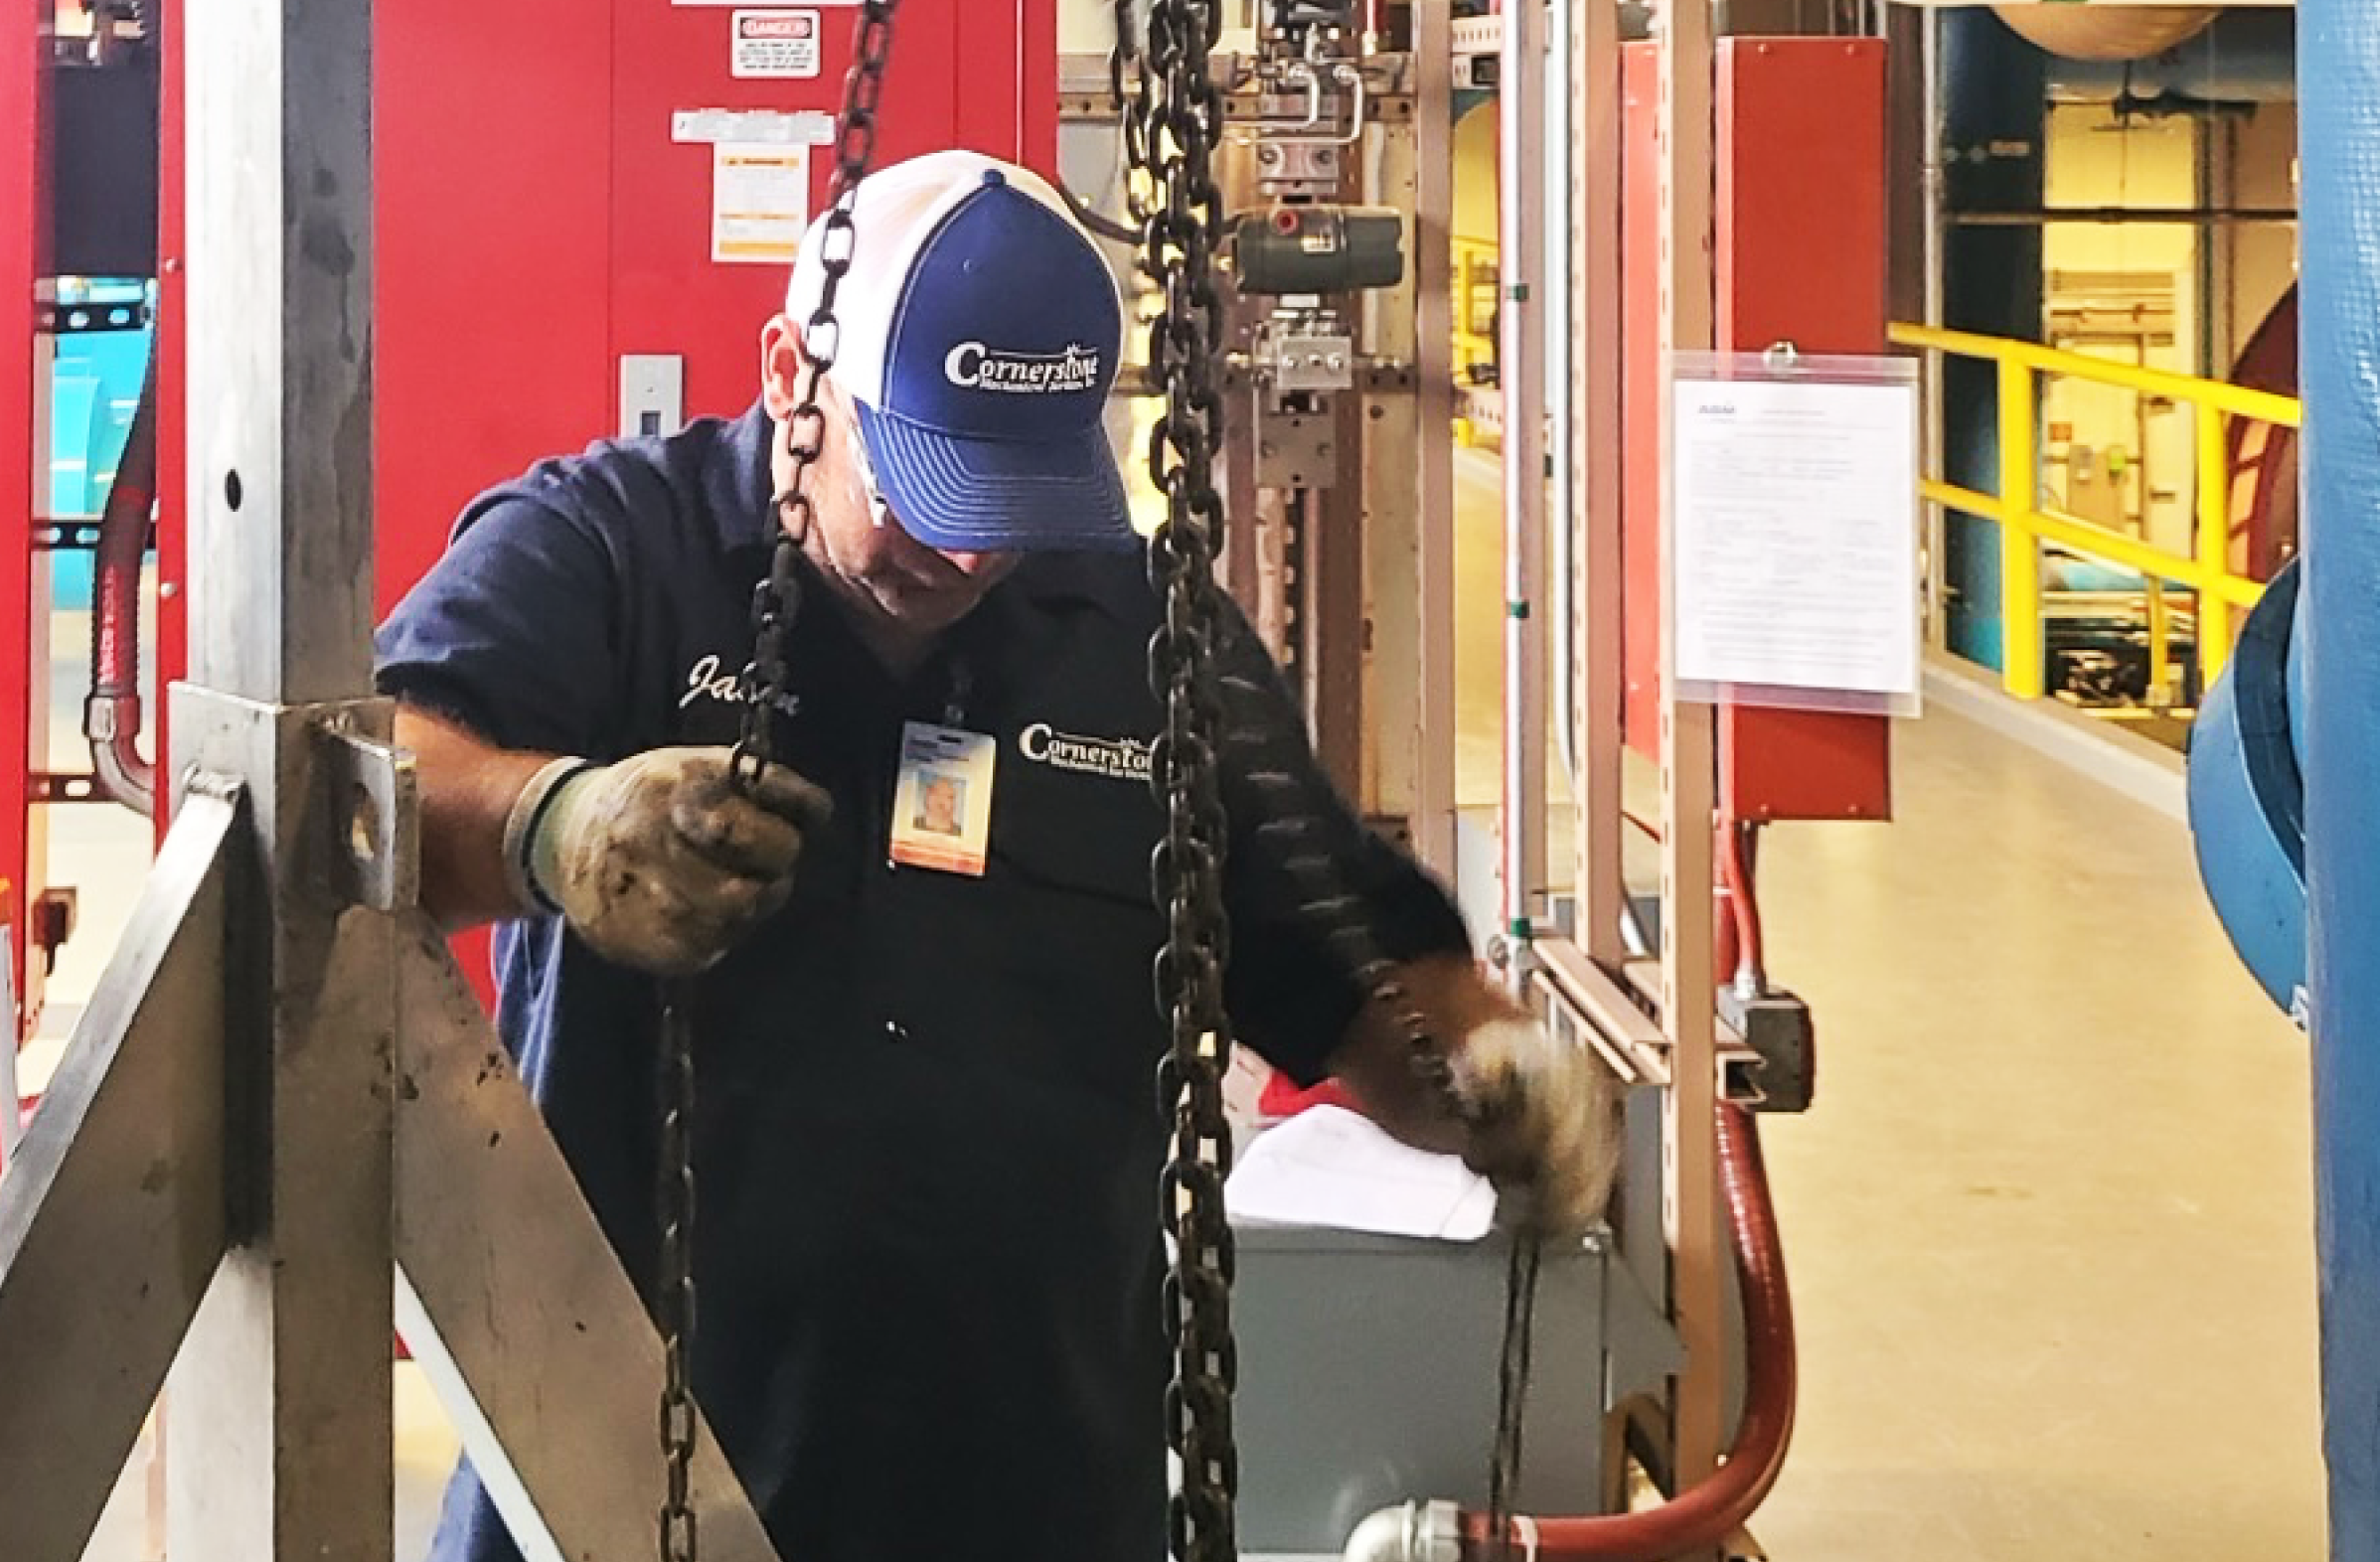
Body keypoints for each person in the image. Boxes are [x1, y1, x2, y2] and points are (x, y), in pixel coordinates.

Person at [378, 150, 1619, 1562]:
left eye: (1013, 497)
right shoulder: (607, 552)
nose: (968, 556)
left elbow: (1360, 980)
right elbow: (366, 791)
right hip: (613, 1466)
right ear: (793, 373)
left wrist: (1484, 1081)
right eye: (926, 477)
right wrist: (557, 826)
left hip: (1034, 1478)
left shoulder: (1152, 646)